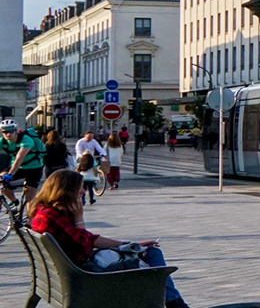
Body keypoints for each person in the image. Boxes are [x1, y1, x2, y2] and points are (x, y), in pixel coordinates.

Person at [26, 169, 188, 308]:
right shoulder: (52, 216)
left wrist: (128, 245)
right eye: (79, 188)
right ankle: (176, 304)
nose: (82, 191)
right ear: (65, 190)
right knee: (152, 258)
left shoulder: (44, 212)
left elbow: (90, 239)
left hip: (69, 274)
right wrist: (79, 219)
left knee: (149, 252)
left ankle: (175, 303)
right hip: (88, 274)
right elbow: (84, 246)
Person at [6, 124, 46, 192]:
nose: (8, 134)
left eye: (11, 131)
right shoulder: (3, 141)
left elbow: (19, 157)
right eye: (5, 132)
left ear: (16, 131)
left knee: (30, 191)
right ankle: (12, 199)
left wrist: (10, 174)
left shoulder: (26, 140)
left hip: (34, 167)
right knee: (1, 181)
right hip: (18, 167)